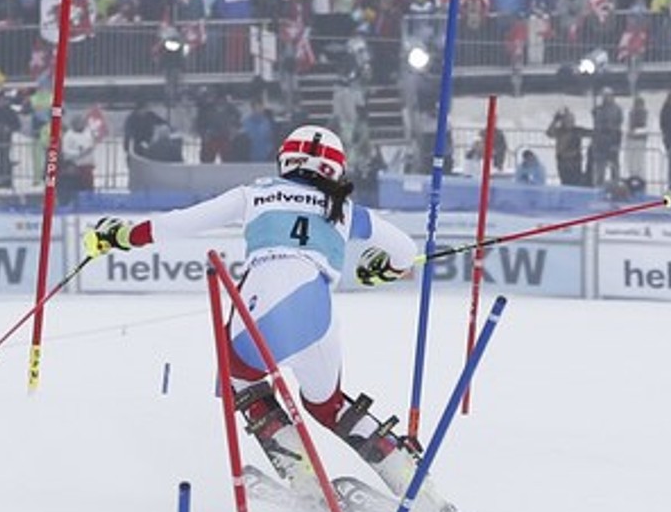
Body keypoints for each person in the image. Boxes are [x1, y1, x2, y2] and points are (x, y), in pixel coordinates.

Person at [84, 126, 454, 512]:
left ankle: (307, 486)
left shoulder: (255, 193)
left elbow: (180, 223)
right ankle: (421, 489)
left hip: (262, 306)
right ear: (335, 171)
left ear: (285, 161)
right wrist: (377, 271)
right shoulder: (346, 210)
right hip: (319, 316)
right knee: (330, 406)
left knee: (242, 379)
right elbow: (405, 251)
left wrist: (121, 236)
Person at [546, 108, 588, 186]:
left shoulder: (577, 130)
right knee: (565, 181)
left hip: (574, 161)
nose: (570, 123)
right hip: (563, 161)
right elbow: (549, 133)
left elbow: (591, 133)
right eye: (567, 121)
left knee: (576, 181)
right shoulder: (559, 131)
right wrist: (555, 121)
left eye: (571, 121)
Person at [591, 88, 623, 185]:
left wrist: (616, 142)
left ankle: (616, 185)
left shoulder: (617, 109)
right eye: (604, 96)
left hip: (612, 141)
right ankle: (598, 186)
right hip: (600, 143)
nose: (606, 98)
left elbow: (618, 124)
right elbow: (596, 124)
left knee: (615, 168)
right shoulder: (598, 109)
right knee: (600, 169)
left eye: (608, 96)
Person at [623, 96, 648, 181]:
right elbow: (626, 126)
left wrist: (635, 131)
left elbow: (646, 128)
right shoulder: (630, 113)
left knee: (639, 162)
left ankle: (640, 179)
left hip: (640, 141)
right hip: (630, 140)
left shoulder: (645, 114)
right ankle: (632, 177)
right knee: (631, 161)